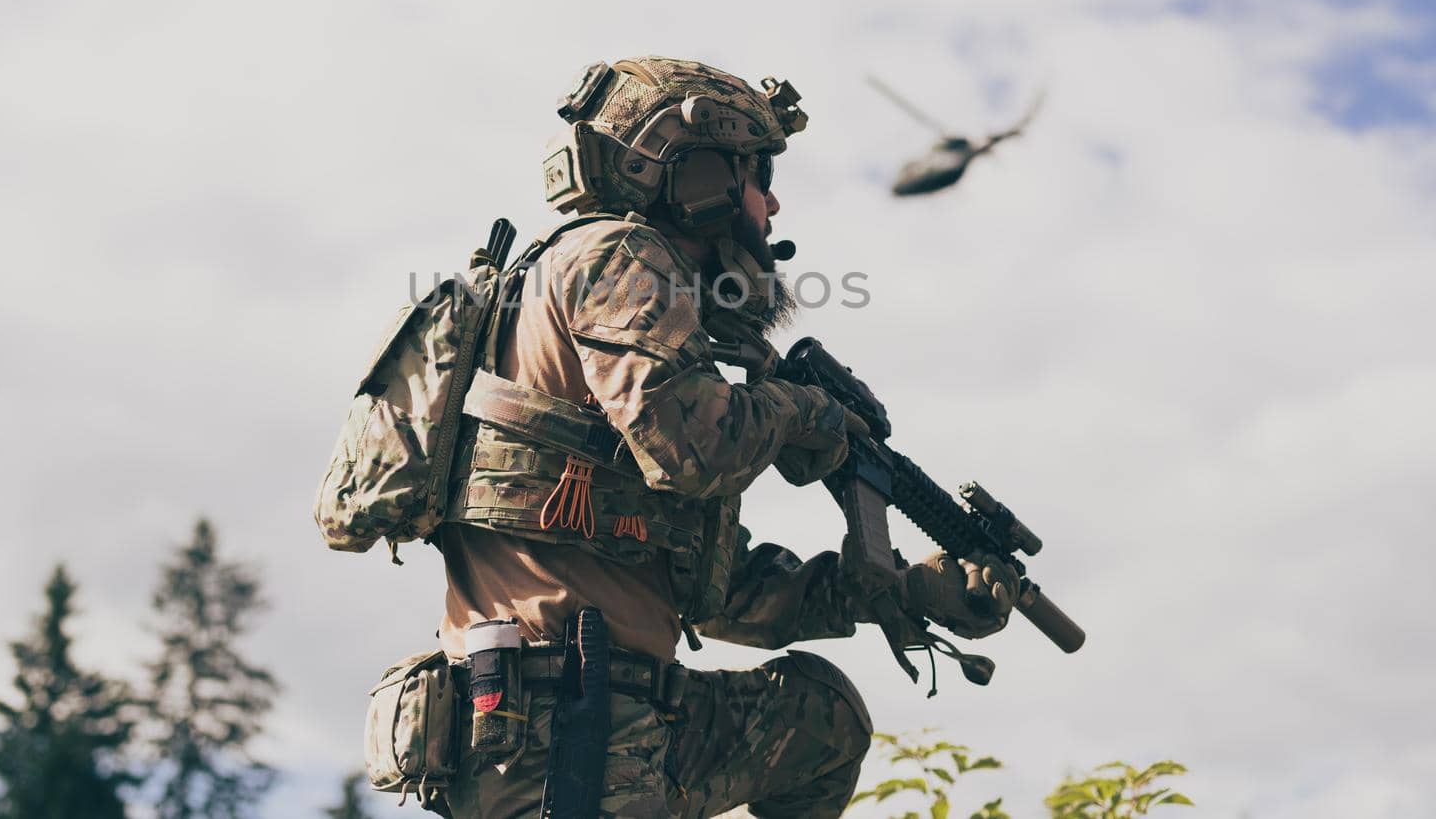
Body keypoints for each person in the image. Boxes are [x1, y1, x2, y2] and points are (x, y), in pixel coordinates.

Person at [405, 57, 1015, 818]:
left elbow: (714, 594)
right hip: (560, 730)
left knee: (819, 717)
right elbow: (692, 451)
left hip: (596, 712)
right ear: (700, 182)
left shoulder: (575, 291)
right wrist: (801, 411)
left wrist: (897, 585)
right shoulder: (615, 256)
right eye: (758, 175)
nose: (774, 202)